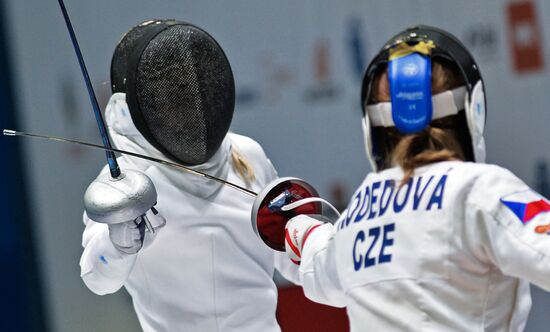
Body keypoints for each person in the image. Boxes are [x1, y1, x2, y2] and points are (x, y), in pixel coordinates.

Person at [280, 26, 550, 331]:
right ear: (472, 110)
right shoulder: (479, 192)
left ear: (374, 125)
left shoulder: (359, 211)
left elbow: (317, 262)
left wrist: (294, 227)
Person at [79, 19, 297, 332]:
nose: (188, 101)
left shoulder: (246, 156)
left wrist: (308, 237)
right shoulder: (125, 184)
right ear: (141, 104)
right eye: (170, 93)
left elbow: (292, 261)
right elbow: (97, 279)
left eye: (192, 86)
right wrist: (117, 246)